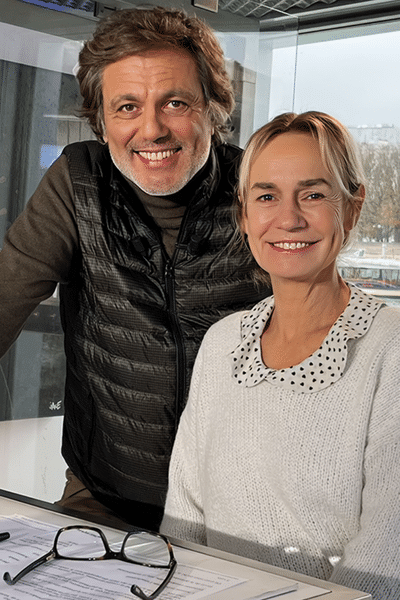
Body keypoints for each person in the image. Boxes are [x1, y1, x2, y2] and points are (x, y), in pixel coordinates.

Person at [0, 7, 269, 532]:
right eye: (126, 106)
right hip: (103, 496)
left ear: (214, 109)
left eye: (175, 102)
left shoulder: (257, 188)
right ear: (100, 122)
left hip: (242, 509)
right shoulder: (79, 183)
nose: (151, 129)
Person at [161, 111, 400, 599]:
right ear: (245, 215)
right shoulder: (222, 341)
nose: (288, 218)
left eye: (312, 194)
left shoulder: (390, 350)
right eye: (267, 196)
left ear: (351, 209)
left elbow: (386, 554)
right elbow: (183, 516)